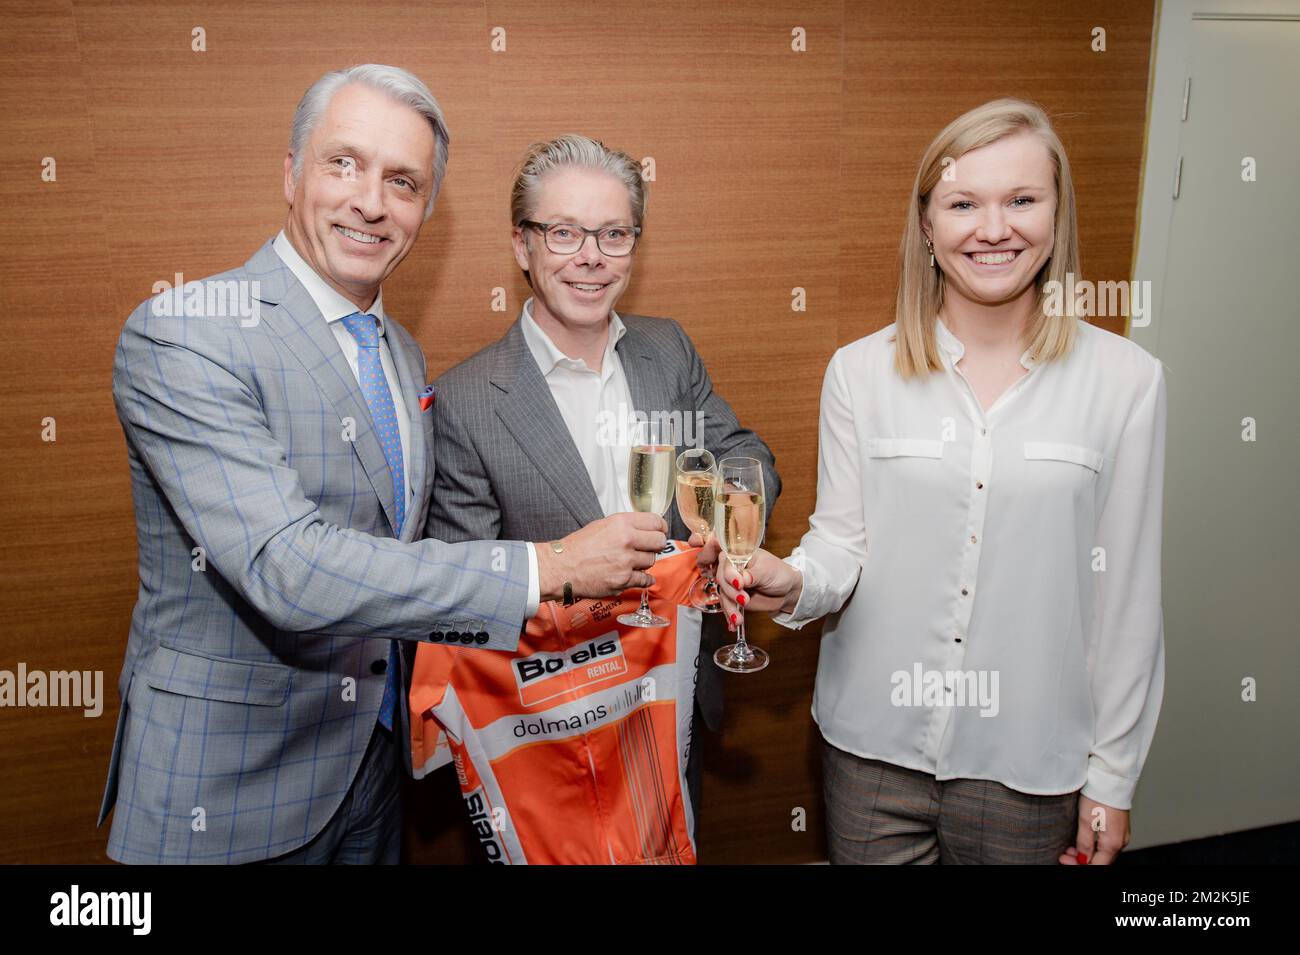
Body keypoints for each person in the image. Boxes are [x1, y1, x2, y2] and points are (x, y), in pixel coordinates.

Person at [99, 66, 665, 865]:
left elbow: (397, 551)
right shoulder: (187, 333)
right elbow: (288, 568)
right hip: (225, 790)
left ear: (424, 210)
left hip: (373, 771)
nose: (372, 201)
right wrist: (552, 566)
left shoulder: (398, 351)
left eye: (403, 181)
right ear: (290, 173)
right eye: (344, 164)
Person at [702, 98, 1166, 865]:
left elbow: (1128, 603)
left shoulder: (1128, 382)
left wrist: (1113, 777)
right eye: (962, 203)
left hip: (1030, 763)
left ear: (1058, 214)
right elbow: (843, 543)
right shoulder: (859, 371)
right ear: (926, 224)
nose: (993, 229)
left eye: (1021, 199)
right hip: (871, 750)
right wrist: (793, 582)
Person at [425, 133, 780, 835]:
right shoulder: (466, 399)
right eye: (564, 232)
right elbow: (460, 592)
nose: (591, 256)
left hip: (671, 709)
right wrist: (565, 574)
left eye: (613, 234)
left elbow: (744, 453)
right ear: (522, 246)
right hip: (545, 737)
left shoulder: (668, 350)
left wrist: (719, 525)